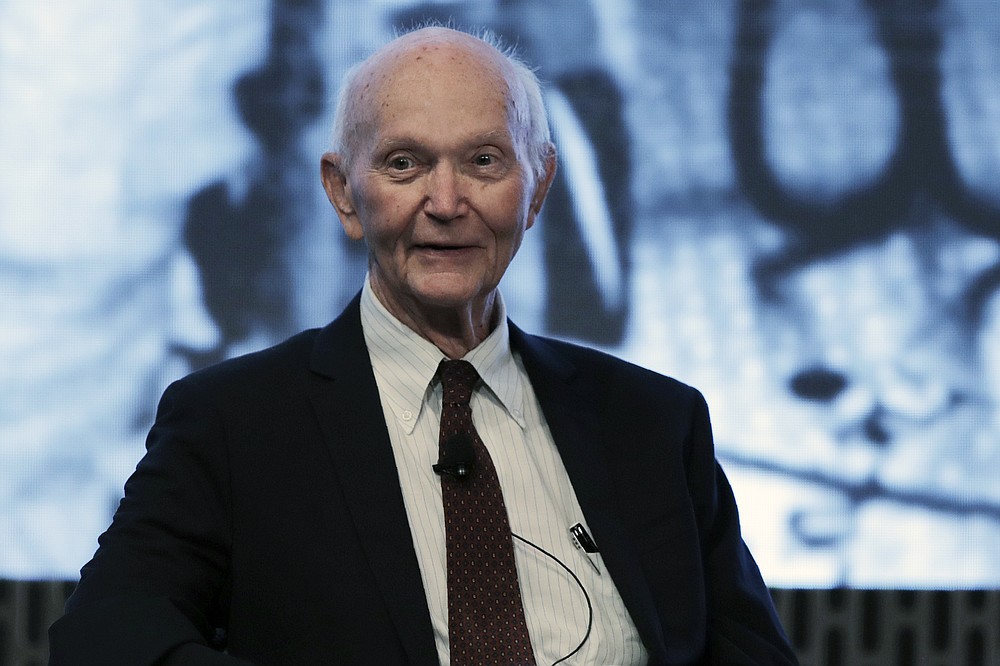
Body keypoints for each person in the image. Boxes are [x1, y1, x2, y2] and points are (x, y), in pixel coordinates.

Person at [49, 26, 797, 665]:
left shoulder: (655, 424)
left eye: (484, 161)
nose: (446, 203)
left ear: (537, 188)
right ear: (344, 193)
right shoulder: (234, 424)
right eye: (404, 163)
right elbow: (101, 639)